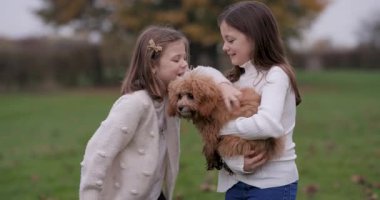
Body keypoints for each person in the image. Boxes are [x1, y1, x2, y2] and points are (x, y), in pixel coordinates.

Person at [79, 25, 190, 200]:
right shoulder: (134, 104)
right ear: (153, 65)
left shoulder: (172, 100)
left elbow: (203, 76)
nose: (185, 64)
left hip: (154, 195)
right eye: (176, 59)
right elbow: (98, 153)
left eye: (185, 58)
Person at [205, 1, 303, 199]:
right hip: (235, 182)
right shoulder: (233, 80)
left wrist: (218, 129)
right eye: (224, 40)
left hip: (272, 186)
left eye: (230, 40)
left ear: (254, 37)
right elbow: (198, 71)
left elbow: (268, 125)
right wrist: (237, 164)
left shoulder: (275, 75)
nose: (224, 47)